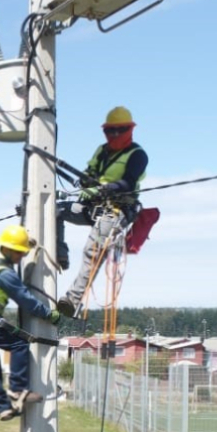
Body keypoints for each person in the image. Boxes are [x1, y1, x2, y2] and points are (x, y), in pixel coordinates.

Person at [0, 225, 62, 422]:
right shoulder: (4, 273)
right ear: (7, 248)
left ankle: (3, 407)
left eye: (23, 253)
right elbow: (25, 300)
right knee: (19, 345)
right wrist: (49, 315)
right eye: (18, 253)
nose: (21, 257)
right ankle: (18, 389)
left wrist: (27, 245)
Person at [55, 105, 149, 318]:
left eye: (120, 130)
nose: (114, 135)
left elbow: (128, 182)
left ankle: (73, 300)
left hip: (116, 210)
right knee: (54, 210)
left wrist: (106, 188)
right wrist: (87, 183)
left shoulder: (137, 155)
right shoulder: (102, 151)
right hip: (93, 206)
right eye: (110, 131)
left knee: (93, 250)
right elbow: (90, 172)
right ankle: (60, 255)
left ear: (129, 130)